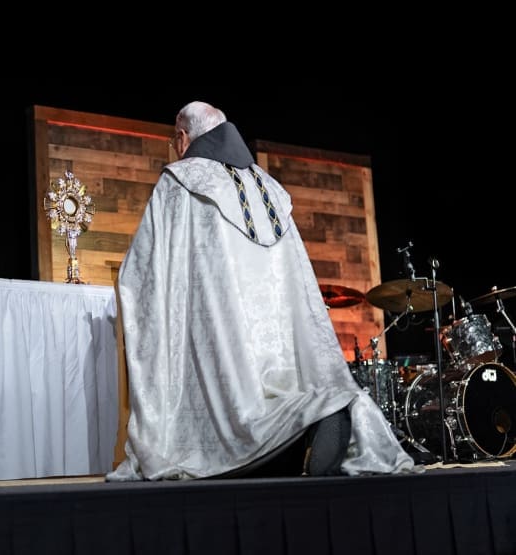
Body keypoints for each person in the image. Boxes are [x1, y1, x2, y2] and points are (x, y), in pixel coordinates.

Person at [106, 101, 417, 481]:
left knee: (230, 425)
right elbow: (298, 280)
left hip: (223, 338)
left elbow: (144, 271)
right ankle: (316, 410)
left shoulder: (181, 182)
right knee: (278, 398)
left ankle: (300, 426)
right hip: (277, 342)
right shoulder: (270, 189)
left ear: (182, 138)